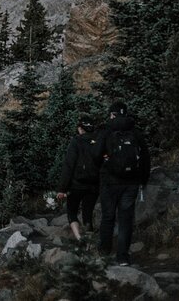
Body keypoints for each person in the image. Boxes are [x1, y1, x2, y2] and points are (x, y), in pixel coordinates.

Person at [94, 100, 150, 266]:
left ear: (112, 114)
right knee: (125, 219)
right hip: (131, 183)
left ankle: (104, 253)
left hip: (109, 182)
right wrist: (143, 179)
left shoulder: (106, 131)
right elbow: (145, 157)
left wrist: (103, 168)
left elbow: (96, 155)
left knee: (108, 217)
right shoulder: (135, 132)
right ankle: (123, 257)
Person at [56, 114, 101, 243]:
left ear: (80, 128)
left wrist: (62, 189)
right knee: (88, 214)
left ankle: (80, 240)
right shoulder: (99, 141)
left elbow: (69, 165)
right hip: (94, 185)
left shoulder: (76, 141)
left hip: (77, 185)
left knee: (72, 212)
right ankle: (90, 244)